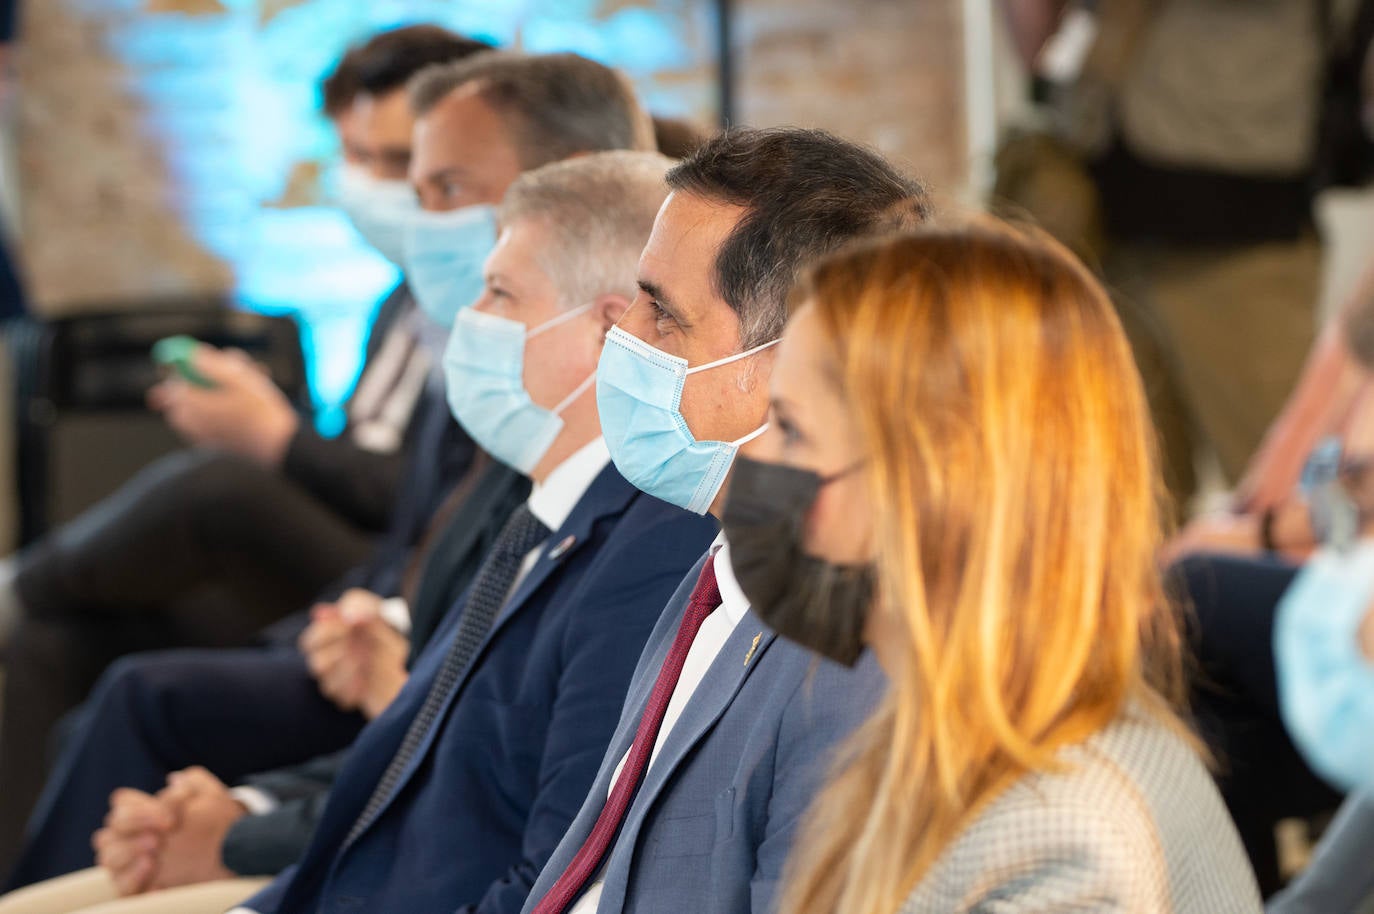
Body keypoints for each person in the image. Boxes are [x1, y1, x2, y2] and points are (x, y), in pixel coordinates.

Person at [0, 49, 655, 890]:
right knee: (73, 651)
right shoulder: (526, 448)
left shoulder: (615, 513)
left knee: (215, 507)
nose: (408, 209)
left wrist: (239, 837)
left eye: (438, 186)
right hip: (371, 659)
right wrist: (247, 808)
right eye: (389, 173)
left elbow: (502, 811)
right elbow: (431, 720)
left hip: (390, 814)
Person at [762, 222, 1260, 913]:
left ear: (930, 483)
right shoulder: (934, 745)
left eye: (790, 429)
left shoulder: (1059, 835)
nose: (759, 464)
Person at [521, 127, 928, 914]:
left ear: (789, 366)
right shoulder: (724, 569)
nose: (621, 332)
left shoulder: (854, 659)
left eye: (664, 315)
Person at [999, 0, 1326, 513]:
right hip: (1102, 223)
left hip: (1241, 236)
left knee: (1298, 508)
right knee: (1124, 513)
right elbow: (1032, 34)